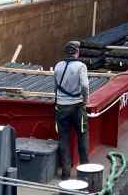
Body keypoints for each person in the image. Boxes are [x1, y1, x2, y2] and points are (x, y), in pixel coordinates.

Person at [53, 41, 90, 179]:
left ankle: (66, 173)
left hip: (61, 107)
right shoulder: (81, 66)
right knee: (83, 137)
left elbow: (55, 87)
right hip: (77, 107)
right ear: (77, 53)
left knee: (63, 138)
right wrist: (85, 100)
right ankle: (85, 172)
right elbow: (85, 86)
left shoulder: (58, 66)